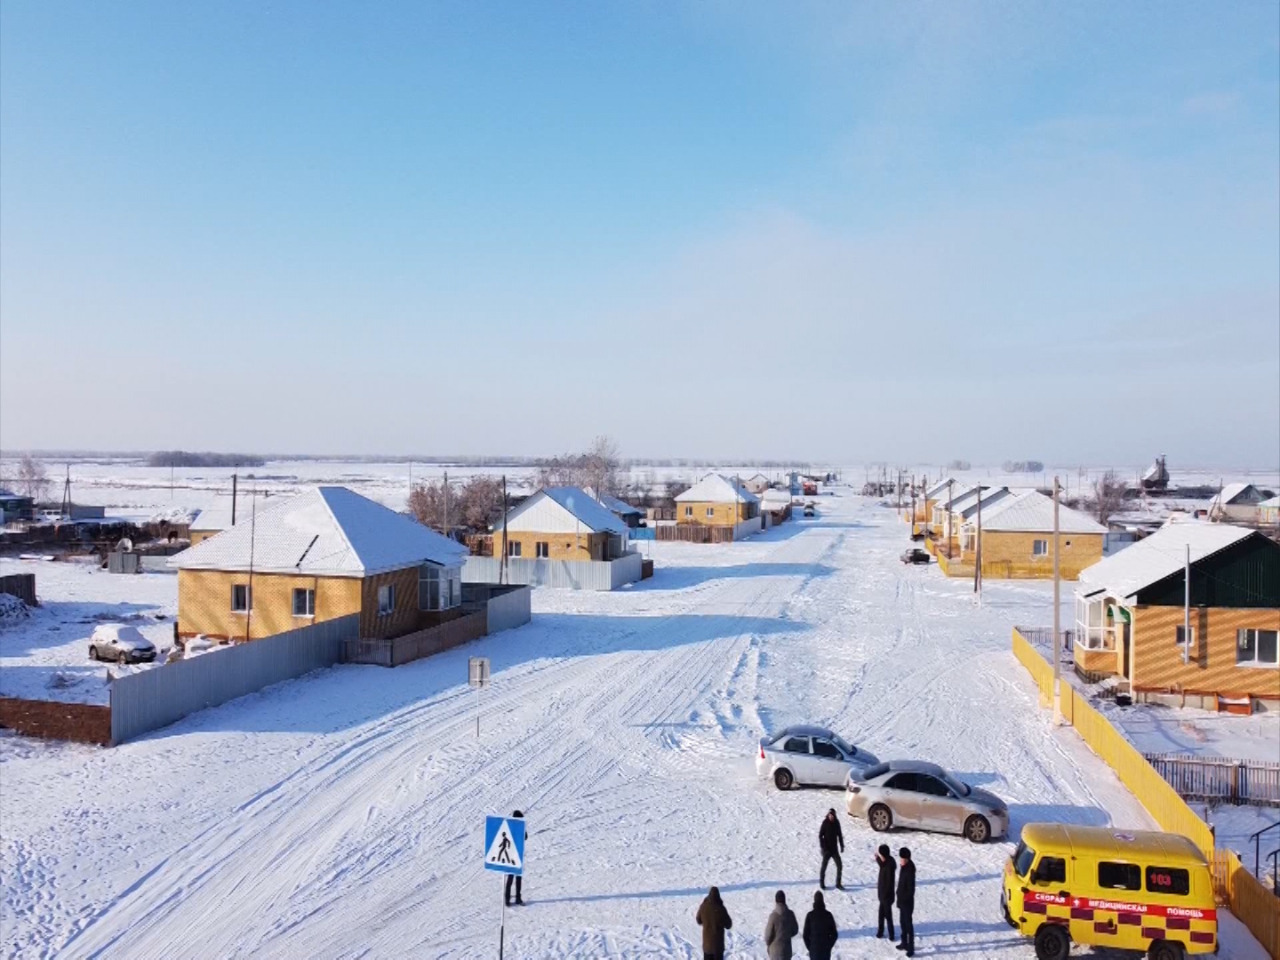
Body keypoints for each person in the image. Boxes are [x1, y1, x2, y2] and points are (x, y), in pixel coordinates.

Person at [695, 886, 733, 960]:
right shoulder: (721, 909)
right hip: (718, 946)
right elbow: (728, 925)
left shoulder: (703, 906)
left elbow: (698, 920)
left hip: (707, 945)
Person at [801, 890, 838, 960]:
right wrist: (829, 946)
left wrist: (810, 947)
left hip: (814, 949)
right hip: (825, 950)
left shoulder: (810, 915)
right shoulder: (828, 915)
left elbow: (805, 935)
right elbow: (834, 934)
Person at [763, 890, 799, 960]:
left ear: (776, 901)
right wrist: (787, 935)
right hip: (786, 951)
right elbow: (795, 930)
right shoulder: (790, 914)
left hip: (774, 952)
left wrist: (769, 944)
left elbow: (767, 936)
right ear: (784, 900)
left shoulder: (773, 916)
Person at [896, 847, 916, 957]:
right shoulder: (904, 867)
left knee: (908, 925)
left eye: (902, 859)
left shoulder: (910, 870)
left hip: (907, 903)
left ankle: (911, 947)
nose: (901, 860)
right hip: (902, 901)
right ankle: (904, 943)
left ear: (907, 859)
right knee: (902, 923)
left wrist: (903, 899)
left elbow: (910, 890)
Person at [818, 809, 844, 890]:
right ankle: (822, 883)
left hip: (834, 849)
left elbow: (839, 835)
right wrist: (823, 846)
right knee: (824, 867)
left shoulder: (837, 823)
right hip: (827, 850)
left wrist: (842, 845)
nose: (831, 817)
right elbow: (820, 835)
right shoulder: (825, 823)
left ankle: (838, 883)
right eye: (830, 815)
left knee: (839, 865)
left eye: (832, 815)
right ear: (828, 815)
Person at [875, 844, 896, 940]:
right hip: (883, 896)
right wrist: (877, 858)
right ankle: (880, 932)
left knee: (888, 916)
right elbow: (882, 863)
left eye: (881, 855)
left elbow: (888, 884)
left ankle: (891, 934)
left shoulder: (889, 867)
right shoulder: (886, 862)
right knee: (881, 915)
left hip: (886, 896)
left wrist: (883, 896)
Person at [504, 810, 524, 906]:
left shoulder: (510, 826)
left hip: (511, 856)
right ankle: (517, 898)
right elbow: (525, 837)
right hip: (515, 856)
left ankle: (507, 899)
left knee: (511, 878)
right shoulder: (518, 827)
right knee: (517, 878)